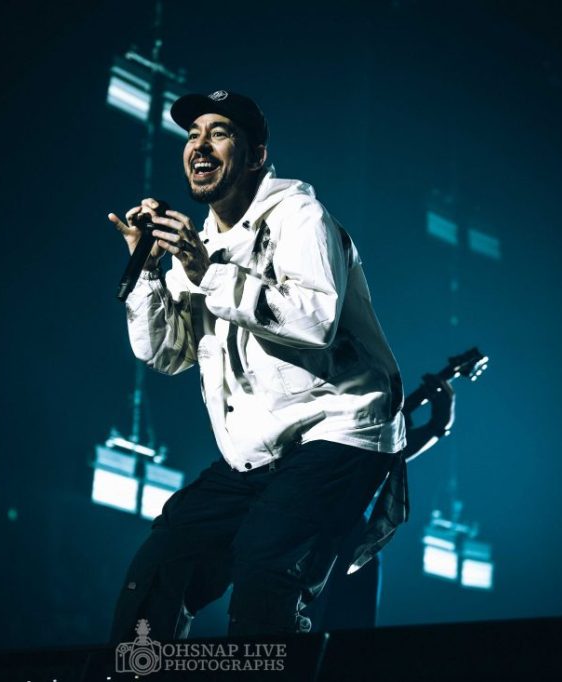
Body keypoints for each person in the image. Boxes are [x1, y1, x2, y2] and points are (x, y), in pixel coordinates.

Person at [107, 90, 407, 641]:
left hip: (340, 426)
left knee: (266, 571)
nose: (200, 145)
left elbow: (314, 322)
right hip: (259, 451)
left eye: (219, 133)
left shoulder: (300, 217)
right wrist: (148, 271)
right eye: (193, 135)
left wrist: (207, 273)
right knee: (159, 568)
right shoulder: (196, 245)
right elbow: (165, 354)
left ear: (255, 156)